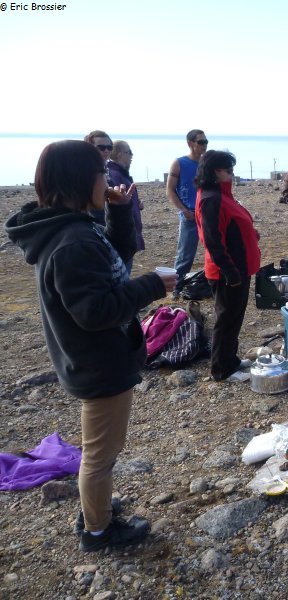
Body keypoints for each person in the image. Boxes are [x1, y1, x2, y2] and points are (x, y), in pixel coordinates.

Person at [4, 140, 176, 552]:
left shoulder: (73, 228)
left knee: (102, 450)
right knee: (100, 455)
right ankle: (98, 531)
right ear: (83, 180)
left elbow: (113, 260)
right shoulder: (73, 241)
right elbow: (96, 311)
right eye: (102, 172)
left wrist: (116, 211)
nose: (109, 177)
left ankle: (95, 509)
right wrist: (152, 285)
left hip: (92, 359)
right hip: (99, 363)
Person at [195, 150, 262, 383]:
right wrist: (230, 271)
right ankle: (222, 369)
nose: (233, 175)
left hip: (238, 267)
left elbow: (231, 225)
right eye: (229, 171)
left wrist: (250, 234)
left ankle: (230, 359)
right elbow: (211, 239)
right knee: (226, 319)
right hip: (227, 270)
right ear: (216, 172)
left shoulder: (222, 195)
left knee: (235, 317)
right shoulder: (211, 198)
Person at [167, 129, 208, 296]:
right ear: (190, 143)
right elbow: (170, 190)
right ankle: (176, 287)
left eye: (206, 142)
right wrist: (183, 210)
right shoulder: (179, 163)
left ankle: (209, 284)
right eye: (201, 142)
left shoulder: (207, 163)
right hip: (190, 215)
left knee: (213, 251)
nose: (204, 145)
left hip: (206, 214)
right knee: (185, 255)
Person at [107, 141, 144, 274]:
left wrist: (136, 204)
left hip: (127, 229)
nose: (132, 156)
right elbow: (115, 201)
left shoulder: (120, 173)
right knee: (122, 271)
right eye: (129, 152)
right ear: (120, 154)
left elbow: (123, 200)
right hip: (123, 231)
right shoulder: (114, 174)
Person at [84, 130, 114, 224]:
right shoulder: (84, 171)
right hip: (95, 221)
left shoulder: (107, 169)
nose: (106, 151)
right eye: (101, 147)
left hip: (108, 220)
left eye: (109, 148)